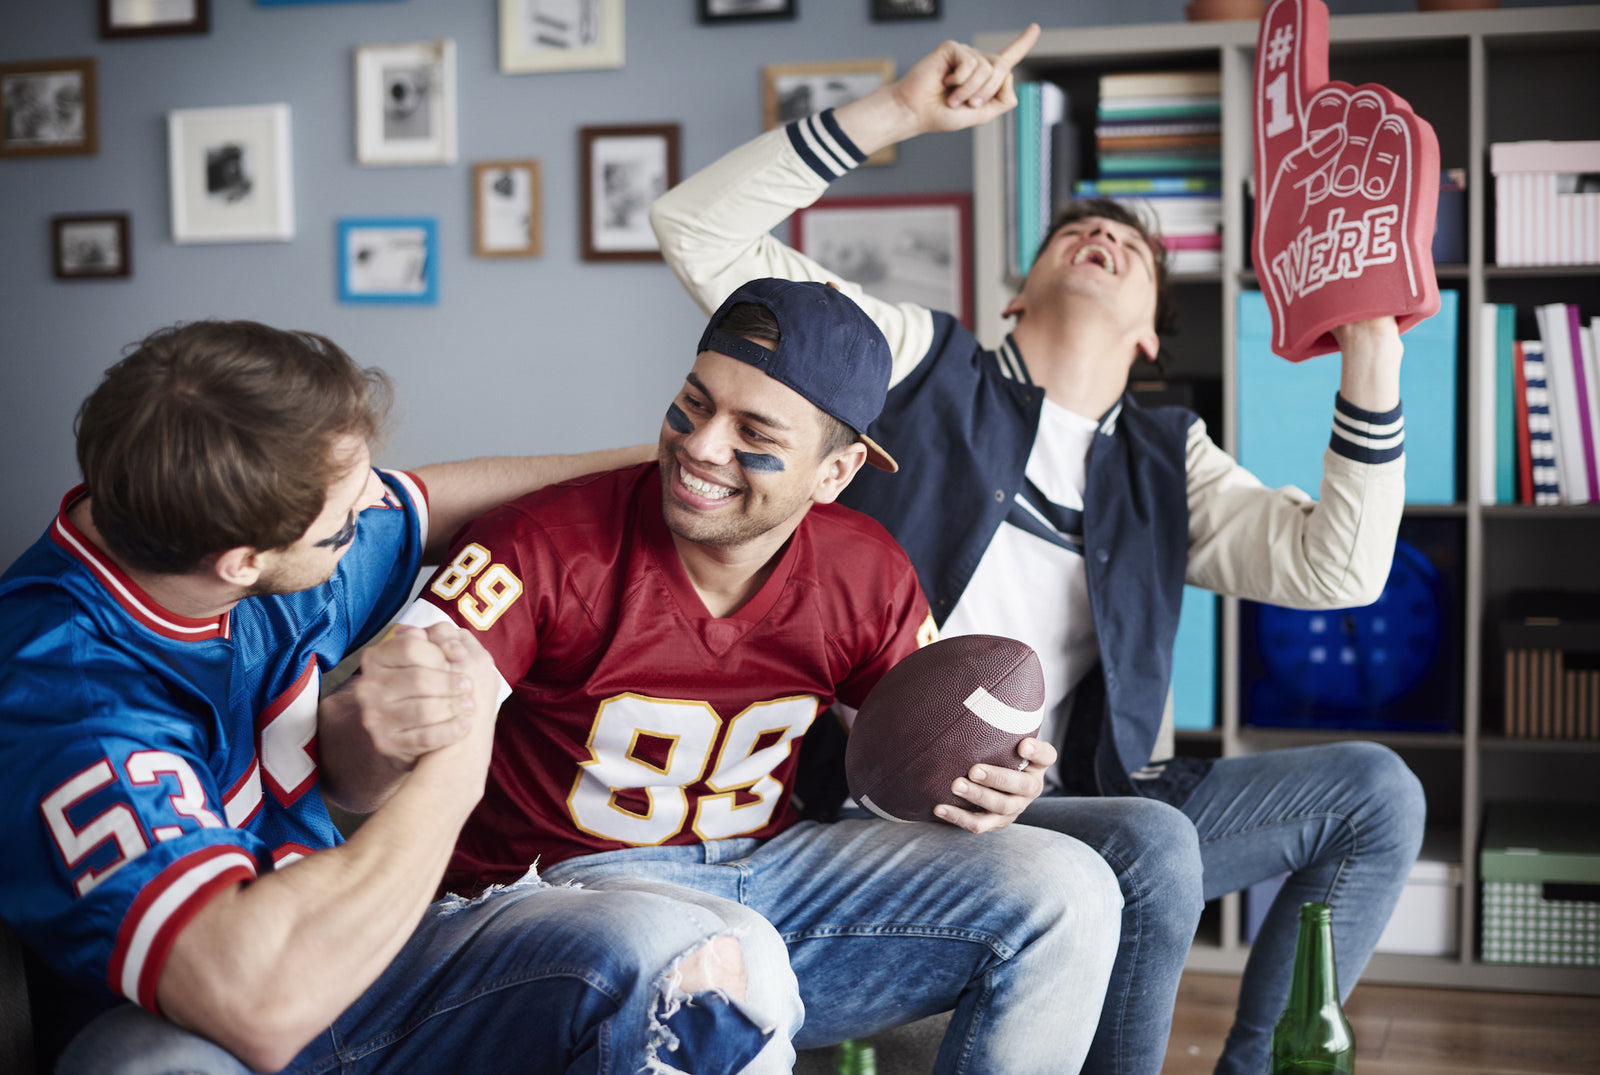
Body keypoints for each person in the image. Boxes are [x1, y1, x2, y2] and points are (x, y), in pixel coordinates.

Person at [650, 27, 1427, 1075]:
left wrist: (1370, 343)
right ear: (1014, 291)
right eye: (1075, 231)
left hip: (1085, 794)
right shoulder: (921, 364)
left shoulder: (1170, 458)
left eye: (1133, 246)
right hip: (896, 797)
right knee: (1152, 846)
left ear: (1154, 328)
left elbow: (1338, 570)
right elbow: (696, 227)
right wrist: (896, 113)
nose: (1102, 237)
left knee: (1377, 792)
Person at [0, 319, 793, 1075]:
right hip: (206, 1014)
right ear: (240, 562)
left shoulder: (203, 513)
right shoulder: (66, 702)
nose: (368, 515)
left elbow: (430, 502)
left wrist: (683, 471)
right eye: (342, 525)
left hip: (366, 951)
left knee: (664, 940)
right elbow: (258, 1000)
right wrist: (457, 757)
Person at [399, 277, 1125, 1073]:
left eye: (753, 429)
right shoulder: (542, 542)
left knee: (1073, 887)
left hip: (767, 867)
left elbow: (909, 756)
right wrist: (378, 722)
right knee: (737, 957)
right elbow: (381, 750)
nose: (702, 445)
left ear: (835, 472)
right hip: (559, 898)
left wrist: (979, 786)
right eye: (694, 403)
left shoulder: (864, 567)